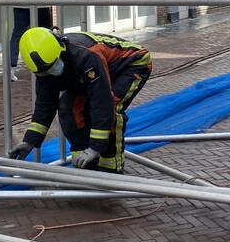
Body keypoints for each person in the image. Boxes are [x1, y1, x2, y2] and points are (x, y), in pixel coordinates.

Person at [9, 28, 151, 172]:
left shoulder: (86, 55)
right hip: (99, 72)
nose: (53, 71)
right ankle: (84, 163)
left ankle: (111, 166)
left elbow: (101, 102)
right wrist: (30, 141)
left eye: (54, 65)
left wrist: (96, 147)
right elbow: (45, 105)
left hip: (131, 65)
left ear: (61, 49)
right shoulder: (44, 70)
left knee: (112, 107)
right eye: (47, 71)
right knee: (67, 107)